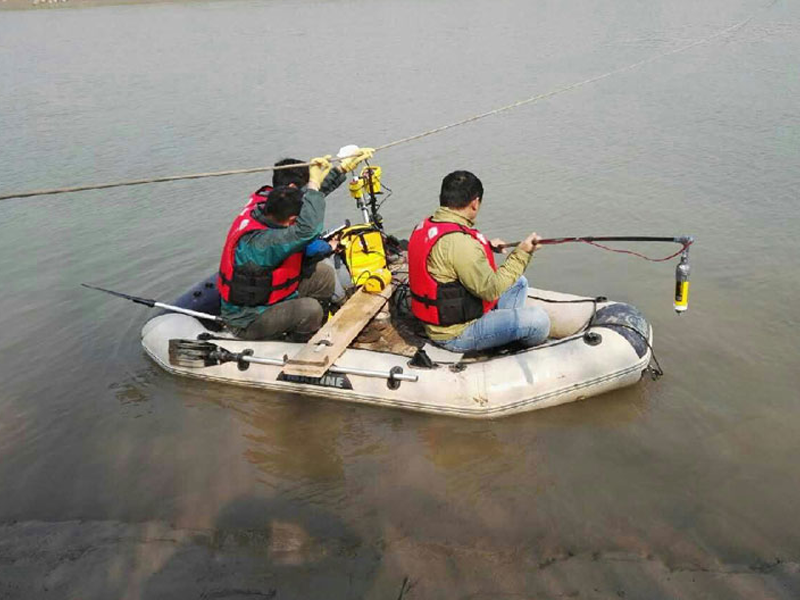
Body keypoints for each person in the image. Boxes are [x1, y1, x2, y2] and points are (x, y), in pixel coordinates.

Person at [217, 148, 373, 341]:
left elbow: (304, 198)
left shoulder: (270, 202)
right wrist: (314, 183)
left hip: (268, 297)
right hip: (249, 318)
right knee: (310, 309)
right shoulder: (262, 242)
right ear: (291, 219)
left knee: (323, 274)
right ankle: (299, 342)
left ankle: (319, 324)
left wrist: (340, 170)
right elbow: (307, 230)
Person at [407, 170, 550, 353]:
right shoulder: (460, 244)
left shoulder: (429, 225)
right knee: (539, 321)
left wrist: (487, 247)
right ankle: (505, 344)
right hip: (455, 333)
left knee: (519, 283)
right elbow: (490, 290)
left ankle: (502, 331)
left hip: (442, 315)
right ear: (475, 203)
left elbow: (449, 259)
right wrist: (522, 253)